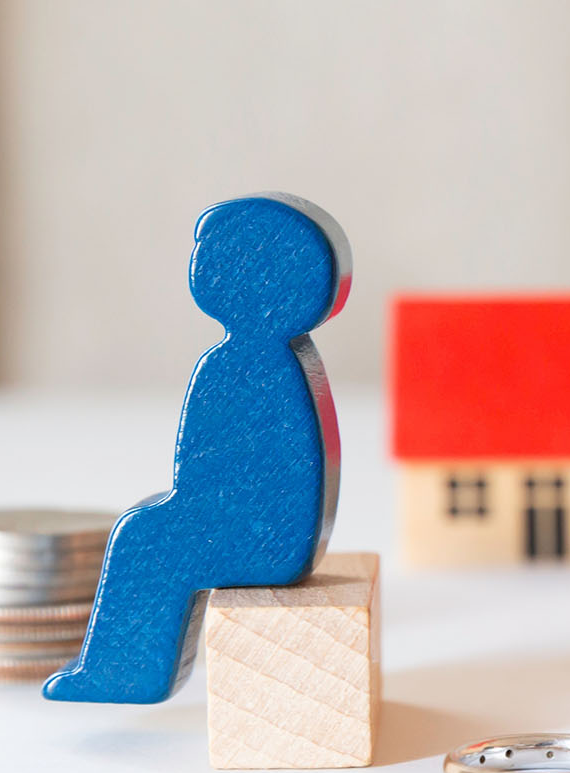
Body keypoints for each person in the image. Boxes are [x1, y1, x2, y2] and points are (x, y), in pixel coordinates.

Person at [43, 194, 348, 705]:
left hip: (265, 538)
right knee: (147, 526)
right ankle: (126, 671)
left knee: (143, 538)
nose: (199, 267)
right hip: (276, 529)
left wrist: (185, 508)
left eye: (210, 256)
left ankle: (125, 675)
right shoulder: (284, 361)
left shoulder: (234, 365)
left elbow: (206, 471)